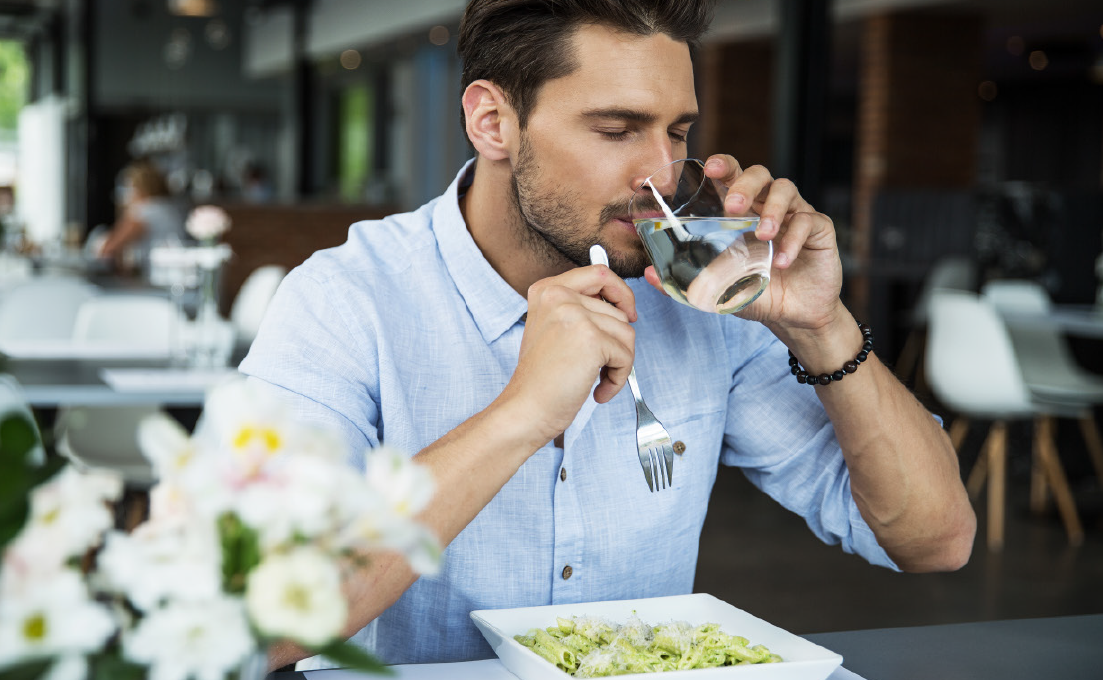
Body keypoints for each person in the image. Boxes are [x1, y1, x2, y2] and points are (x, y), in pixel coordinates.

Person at [242, 0, 975, 669]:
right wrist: (522, 415)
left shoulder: (698, 293)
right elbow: (260, 622)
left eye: (678, 131)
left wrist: (820, 324)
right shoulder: (344, 300)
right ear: (492, 121)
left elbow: (934, 541)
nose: (660, 173)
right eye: (617, 129)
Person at [98, 160, 186, 268]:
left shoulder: (145, 210)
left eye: (127, 187)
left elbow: (109, 248)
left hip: (155, 274)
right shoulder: (166, 207)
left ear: (140, 189)